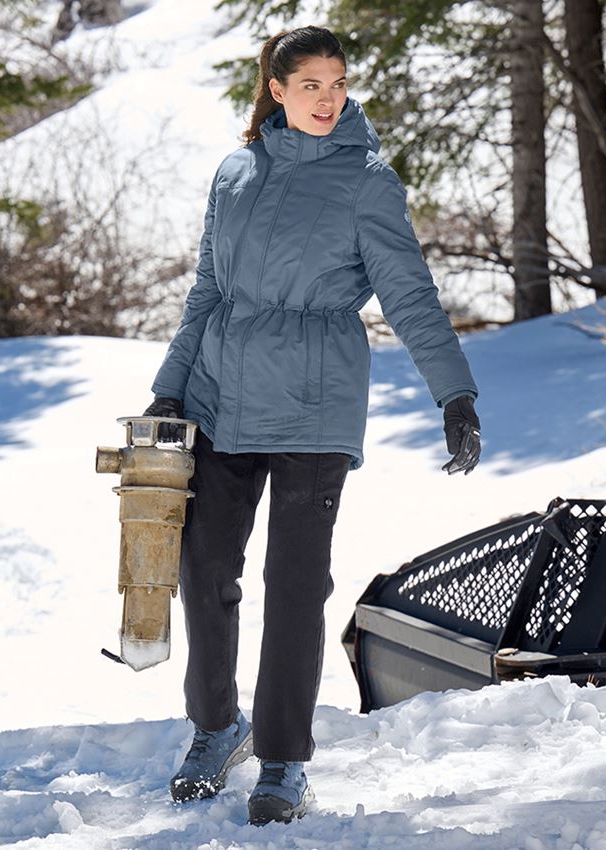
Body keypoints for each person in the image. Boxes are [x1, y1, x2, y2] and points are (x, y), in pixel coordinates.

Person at [142, 25, 481, 826]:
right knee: (204, 568)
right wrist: (168, 390)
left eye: (338, 83)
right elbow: (206, 294)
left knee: (295, 585)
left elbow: (410, 296)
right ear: (277, 88)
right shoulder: (235, 173)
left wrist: (453, 393)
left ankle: (284, 757)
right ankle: (217, 726)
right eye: (311, 85)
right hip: (220, 396)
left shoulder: (368, 182)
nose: (328, 98)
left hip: (315, 404)